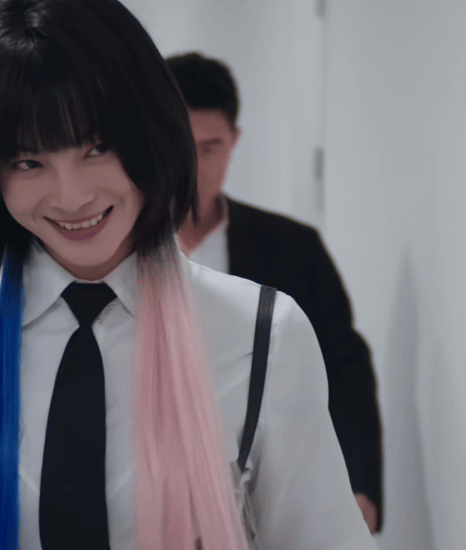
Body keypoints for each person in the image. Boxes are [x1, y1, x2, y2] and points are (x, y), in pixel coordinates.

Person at [0, 0, 377, 549]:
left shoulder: (258, 333)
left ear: (152, 133)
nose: (72, 197)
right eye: (27, 162)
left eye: (97, 148)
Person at [166, 51, 384, 532]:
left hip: (264, 488)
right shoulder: (117, 251)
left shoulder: (292, 247)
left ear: (235, 141)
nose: (193, 168)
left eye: (210, 148)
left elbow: (342, 363)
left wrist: (358, 484)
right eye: (179, 146)